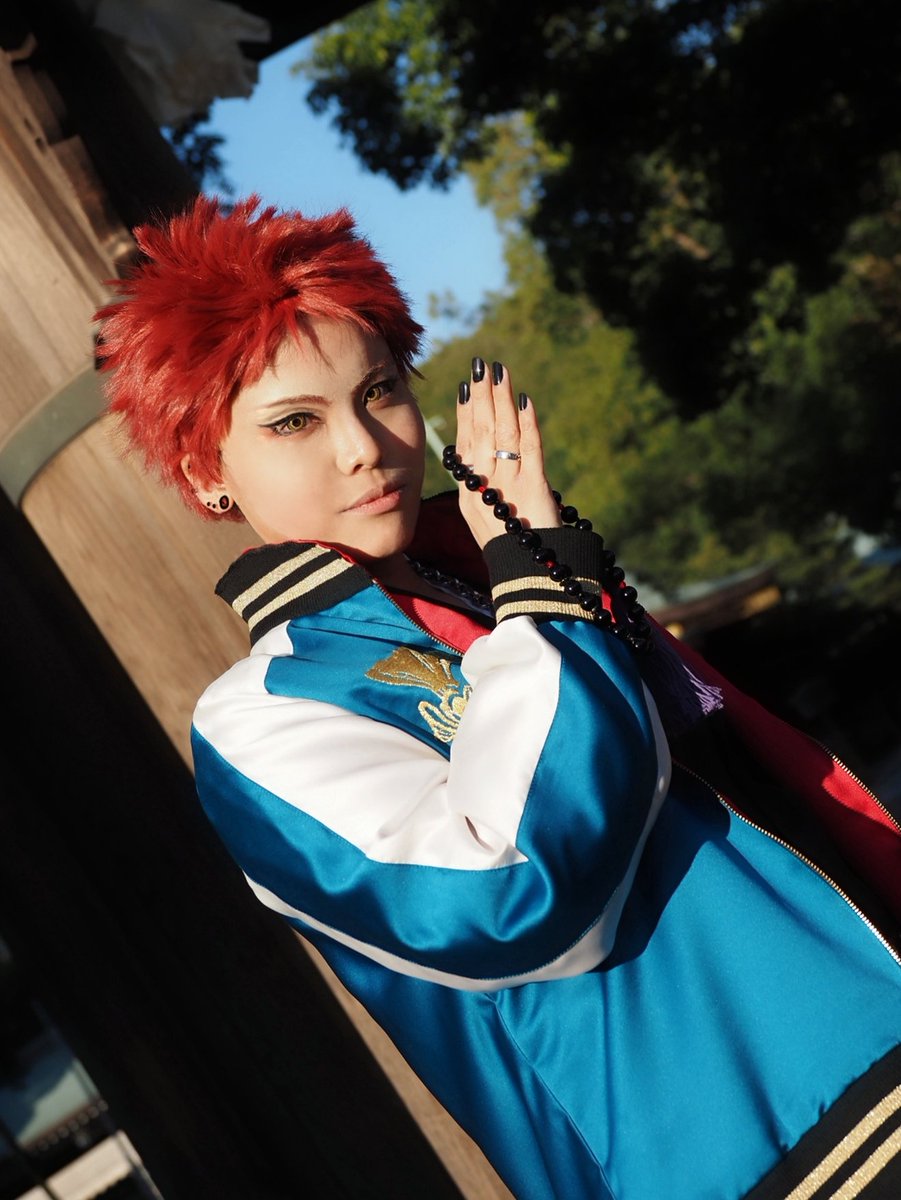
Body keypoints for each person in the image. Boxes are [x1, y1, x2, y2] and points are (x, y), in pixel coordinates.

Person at [95, 195, 901, 1200]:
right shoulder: (262, 715)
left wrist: (532, 575)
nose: (364, 446)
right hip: (765, 1154)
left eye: (379, 392)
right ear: (203, 468)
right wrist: (540, 590)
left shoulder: (494, 580)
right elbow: (510, 894)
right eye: (294, 422)